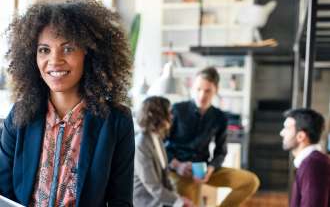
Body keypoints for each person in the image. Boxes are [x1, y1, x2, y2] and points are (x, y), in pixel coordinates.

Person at [0, 0, 135, 207]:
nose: (54, 60)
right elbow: (3, 195)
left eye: (68, 48)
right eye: (44, 49)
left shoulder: (116, 121)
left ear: (88, 53)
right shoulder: (19, 116)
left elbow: (121, 201)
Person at [165, 67, 259, 207]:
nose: (202, 95)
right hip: (179, 171)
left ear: (216, 89)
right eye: (198, 89)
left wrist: (211, 168)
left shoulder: (220, 117)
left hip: (204, 169)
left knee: (250, 181)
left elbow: (221, 151)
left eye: (208, 90)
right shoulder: (177, 110)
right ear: (192, 88)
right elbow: (161, 143)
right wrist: (177, 165)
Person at [134, 96, 194, 207]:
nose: (172, 116)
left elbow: (165, 178)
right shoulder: (141, 144)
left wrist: (178, 198)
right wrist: (180, 202)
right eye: (169, 112)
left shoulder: (157, 138)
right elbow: (153, 186)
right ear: (158, 115)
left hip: (160, 201)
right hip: (146, 203)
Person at [280, 108, 330, 207]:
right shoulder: (311, 162)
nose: (282, 133)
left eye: (286, 128)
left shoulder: (313, 165)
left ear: (301, 136)